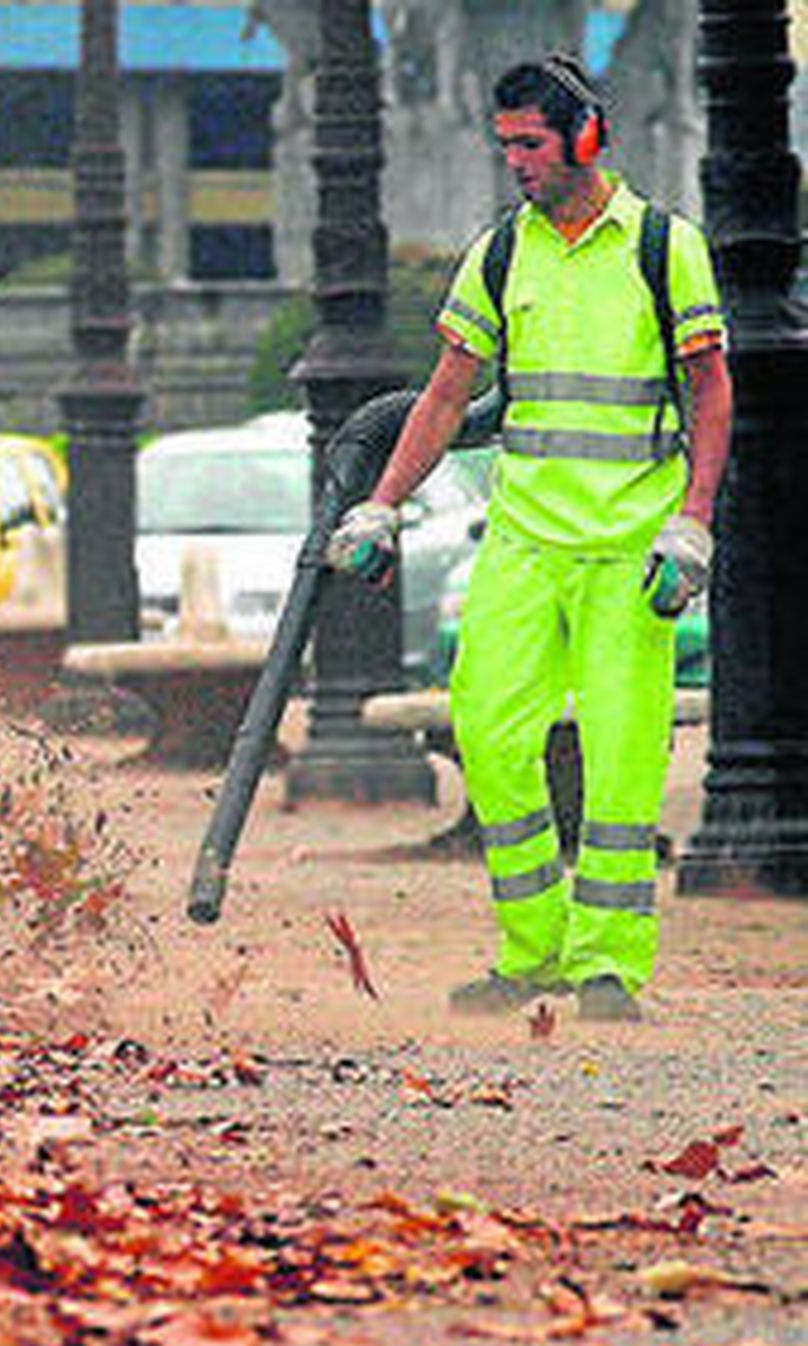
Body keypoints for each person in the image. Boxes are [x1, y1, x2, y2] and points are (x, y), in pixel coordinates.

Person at [326, 56, 732, 1022]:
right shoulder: (502, 252)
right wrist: (381, 505)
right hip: (524, 542)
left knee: (621, 757)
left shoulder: (665, 249)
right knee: (490, 732)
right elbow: (445, 394)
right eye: (505, 144)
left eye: (531, 143)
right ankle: (532, 950)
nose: (515, 161)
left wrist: (693, 522)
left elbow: (711, 392)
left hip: (630, 549)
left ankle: (607, 967)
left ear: (585, 137)